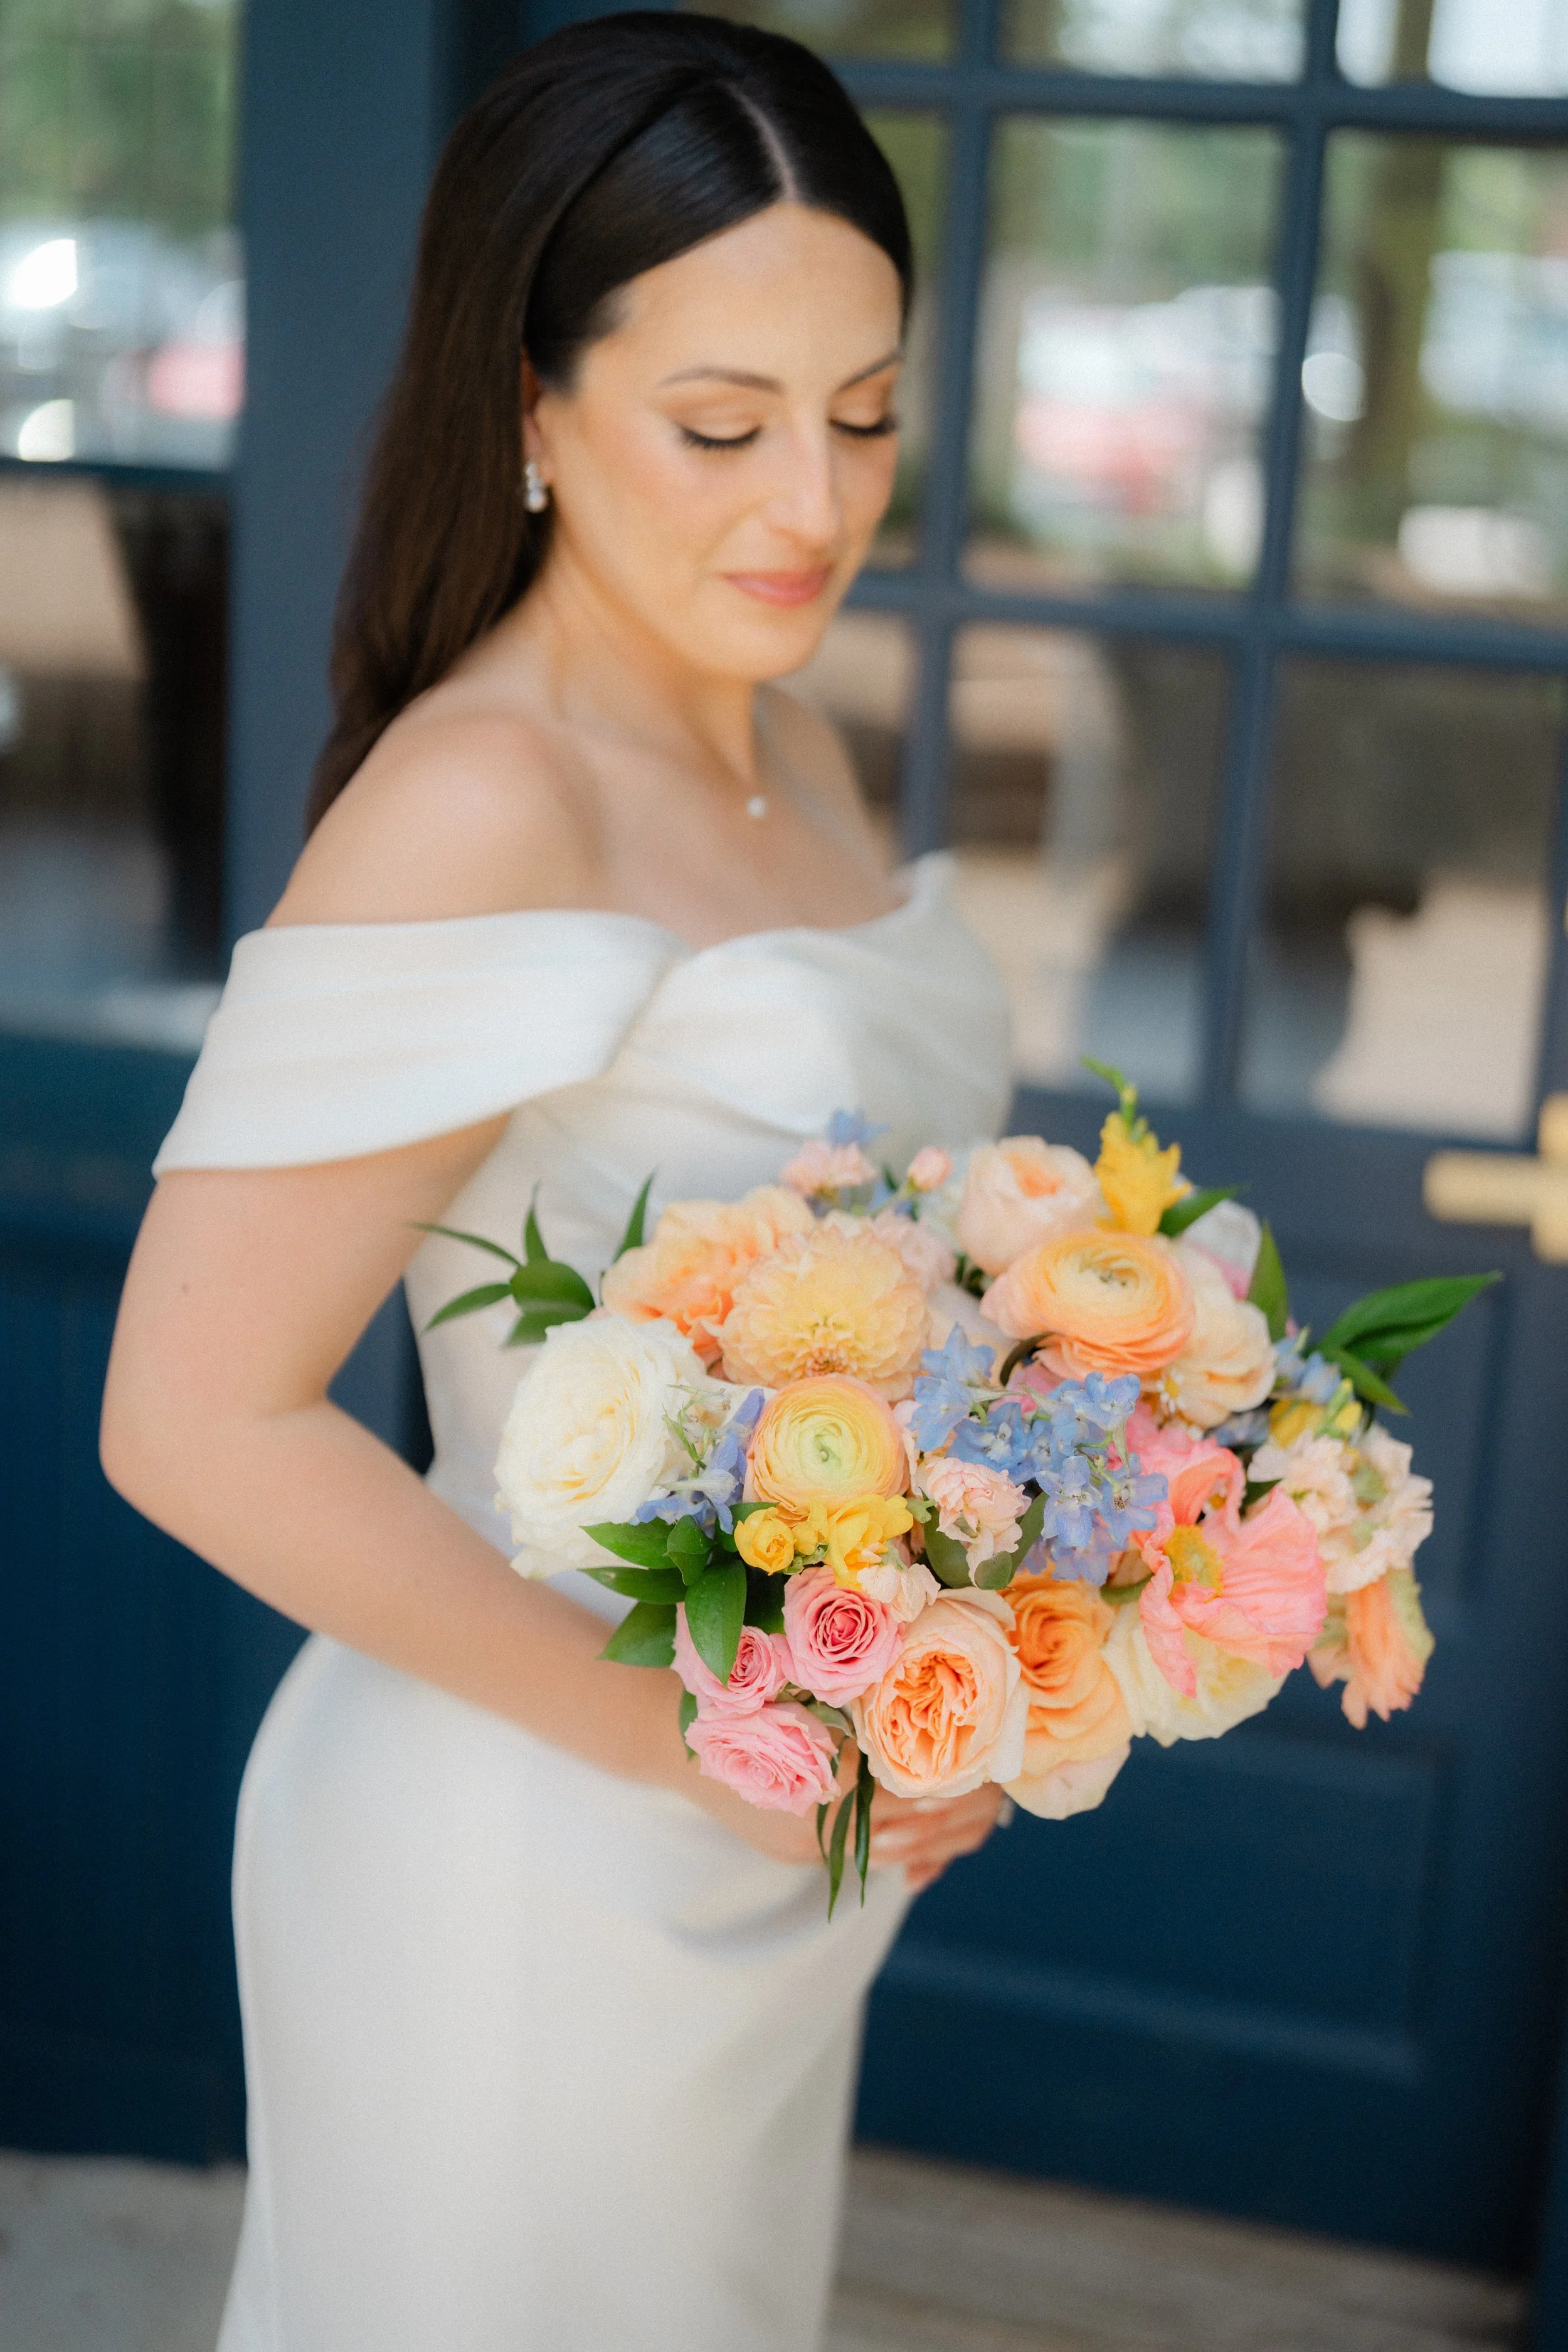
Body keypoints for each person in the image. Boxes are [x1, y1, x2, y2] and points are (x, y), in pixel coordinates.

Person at [101, 16, 1014, 2348]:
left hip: (768, 1859)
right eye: (718, 426)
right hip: (519, 1850)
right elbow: (191, 1417)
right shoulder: (481, 803)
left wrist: (984, 1640)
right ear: (527, 401)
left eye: (864, 410)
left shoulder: (786, 728)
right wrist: (701, 1739)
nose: (807, 502)